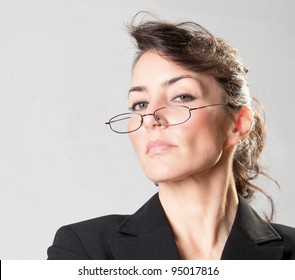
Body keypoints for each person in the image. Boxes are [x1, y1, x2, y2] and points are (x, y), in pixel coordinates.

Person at [47, 16, 295, 260]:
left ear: (238, 124)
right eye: (140, 104)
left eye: (181, 97)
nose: (151, 118)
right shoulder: (84, 250)